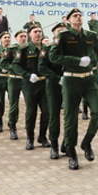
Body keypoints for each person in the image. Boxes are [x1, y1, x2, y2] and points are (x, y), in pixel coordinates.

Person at [49, 8, 98, 170]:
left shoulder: (91, 36)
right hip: (71, 80)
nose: (78, 17)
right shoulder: (62, 36)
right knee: (71, 118)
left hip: (89, 79)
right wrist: (76, 60)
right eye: (75, 16)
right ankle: (71, 152)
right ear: (68, 20)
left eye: (80, 15)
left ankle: (86, 142)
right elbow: (53, 57)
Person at [12, 25, 50, 150]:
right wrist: (27, 75)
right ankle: (30, 138)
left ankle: (42, 137)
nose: (38, 34)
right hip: (30, 85)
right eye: (35, 32)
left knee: (46, 111)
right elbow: (16, 66)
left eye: (40, 31)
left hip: (44, 84)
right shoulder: (24, 48)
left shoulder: (47, 48)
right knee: (31, 112)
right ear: (29, 34)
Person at [39, 23, 68, 159]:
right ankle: (55, 146)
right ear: (54, 34)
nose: (62, 33)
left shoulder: (72, 49)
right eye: (59, 31)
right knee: (54, 116)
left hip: (71, 84)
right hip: (53, 85)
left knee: (70, 116)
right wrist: (58, 78)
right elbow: (42, 68)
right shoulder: (48, 48)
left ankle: (67, 144)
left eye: (64, 30)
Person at [1, 30, 27, 139]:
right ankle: (12, 127)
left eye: (25, 36)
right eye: (21, 36)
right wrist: (16, 68)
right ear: (16, 38)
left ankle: (29, 127)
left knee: (30, 105)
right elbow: (3, 63)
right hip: (14, 79)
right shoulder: (11, 49)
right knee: (14, 105)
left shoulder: (29, 49)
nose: (23, 38)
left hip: (26, 80)